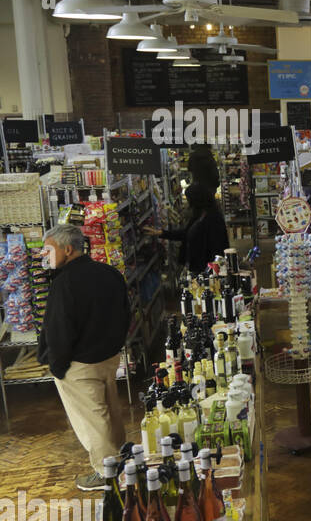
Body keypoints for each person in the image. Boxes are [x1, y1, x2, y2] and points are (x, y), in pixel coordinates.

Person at [37, 224, 131, 492]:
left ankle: (107, 473)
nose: (46, 255)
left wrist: (57, 365)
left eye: (49, 249)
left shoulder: (63, 284)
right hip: (109, 357)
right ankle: (121, 460)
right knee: (111, 413)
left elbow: (59, 330)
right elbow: (126, 314)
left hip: (78, 364)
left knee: (93, 421)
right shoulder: (109, 273)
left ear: (67, 249)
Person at [146, 183, 229, 276]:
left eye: (190, 199)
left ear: (197, 199)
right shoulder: (199, 214)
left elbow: (217, 249)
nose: (189, 203)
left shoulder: (214, 218)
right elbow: (186, 234)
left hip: (206, 270)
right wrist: (161, 232)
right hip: (198, 267)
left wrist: (212, 273)